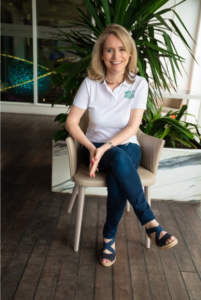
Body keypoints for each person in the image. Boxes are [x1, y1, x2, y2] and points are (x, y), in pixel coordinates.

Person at [65, 24, 178, 267]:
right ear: (101, 55)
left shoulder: (139, 84)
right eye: (109, 50)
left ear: (129, 53)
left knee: (118, 163)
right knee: (116, 159)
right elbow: (72, 122)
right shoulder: (90, 84)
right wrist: (92, 146)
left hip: (126, 147)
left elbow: (132, 127)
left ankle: (109, 238)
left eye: (122, 49)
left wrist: (105, 147)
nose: (116, 56)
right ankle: (150, 224)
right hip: (92, 146)